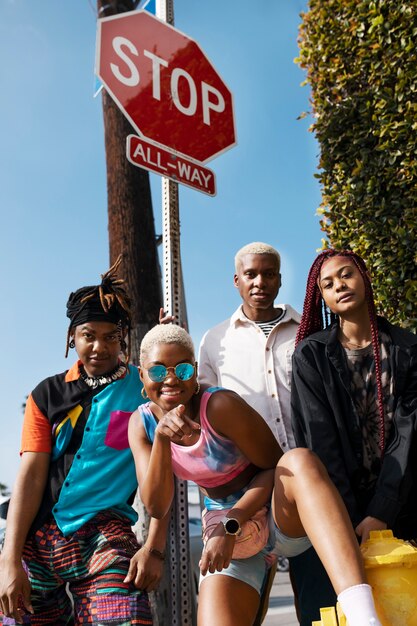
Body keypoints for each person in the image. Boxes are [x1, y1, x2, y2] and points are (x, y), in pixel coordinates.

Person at [129, 323, 382, 626]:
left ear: (195, 372)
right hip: (229, 542)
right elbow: (157, 505)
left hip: (272, 515)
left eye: (182, 370)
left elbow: (276, 468)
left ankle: (364, 618)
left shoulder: (220, 406)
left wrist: (231, 523)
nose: (170, 379)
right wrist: (161, 438)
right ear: (142, 375)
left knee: (299, 460)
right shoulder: (141, 425)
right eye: (158, 371)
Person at [0, 257, 169, 625]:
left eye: (111, 337)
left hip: (105, 537)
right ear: (71, 337)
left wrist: (154, 548)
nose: (99, 347)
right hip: (38, 538)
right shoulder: (46, 395)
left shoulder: (145, 389)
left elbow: (165, 470)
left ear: (122, 338)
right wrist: (10, 559)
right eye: (88, 336)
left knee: (123, 619)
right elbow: (29, 476)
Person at [291, 248, 417, 622]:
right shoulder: (311, 356)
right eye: (328, 284)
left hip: (404, 503)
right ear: (322, 298)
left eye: (346, 275)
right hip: (336, 516)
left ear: (364, 277)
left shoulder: (408, 349)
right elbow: (319, 443)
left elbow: (409, 437)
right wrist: (348, 523)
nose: (339, 286)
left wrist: (381, 513)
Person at [198, 241, 300, 453]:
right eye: (251, 274)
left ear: (279, 280)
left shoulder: (305, 331)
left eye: (269, 274)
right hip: (247, 471)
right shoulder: (214, 339)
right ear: (237, 280)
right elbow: (204, 407)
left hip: (307, 461)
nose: (260, 282)